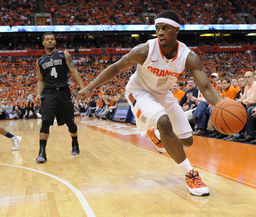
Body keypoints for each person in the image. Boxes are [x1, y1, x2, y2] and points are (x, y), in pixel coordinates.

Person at [77, 10, 223, 196]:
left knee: (187, 140)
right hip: (139, 91)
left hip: (163, 93)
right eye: (158, 29)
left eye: (165, 28)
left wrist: (225, 105)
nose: (160, 32)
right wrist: (90, 87)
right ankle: (191, 174)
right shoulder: (144, 50)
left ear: (176, 30)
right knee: (163, 121)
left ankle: (157, 135)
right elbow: (115, 67)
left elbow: (207, 89)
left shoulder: (189, 56)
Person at [35, 32, 84, 163]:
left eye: (52, 39)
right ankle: (42, 152)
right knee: (45, 121)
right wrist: (38, 94)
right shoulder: (39, 61)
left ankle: (74, 141)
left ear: (55, 42)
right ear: (43, 43)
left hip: (64, 92)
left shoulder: (64, 55)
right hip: (49, 93)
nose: (50, 41)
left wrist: (82, 88)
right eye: (47, 39)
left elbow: (74, 71)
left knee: (70, 122)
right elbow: (40, 80)